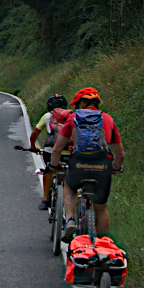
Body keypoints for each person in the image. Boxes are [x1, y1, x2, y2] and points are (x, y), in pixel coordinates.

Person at [49, 87, 124, 241]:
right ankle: (103, 244)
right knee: (101, 208)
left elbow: (57, 149)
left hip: (79, 164)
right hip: (102, 167)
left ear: (82, 105)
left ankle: (70, 220)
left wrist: (54, 166)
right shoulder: (108, 119)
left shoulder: (74, 118)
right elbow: (120, 154)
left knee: (70, 188)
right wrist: (115, 167)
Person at [29, 94, 72, 209]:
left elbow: (34, 135)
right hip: (69, 151)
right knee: (70, 174)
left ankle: (45, 200)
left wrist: (33, 146)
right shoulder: (72, 116)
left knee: (48, 170)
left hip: (51, 151)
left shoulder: (47, 116)